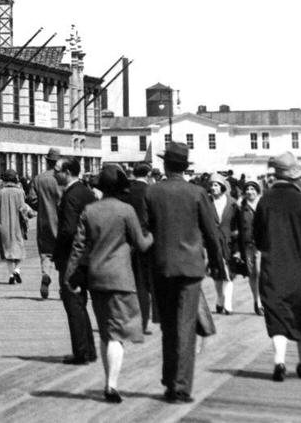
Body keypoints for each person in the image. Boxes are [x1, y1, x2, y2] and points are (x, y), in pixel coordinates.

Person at [145, 138, 224, 405]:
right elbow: (211, 233)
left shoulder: (152, 192)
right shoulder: (197, 193)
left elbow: (145, 232)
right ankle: (180, 387)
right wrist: (217, 264)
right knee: (185, 327)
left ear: (165, 165)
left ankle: (169, 381)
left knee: (168, 327)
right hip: (190, 269)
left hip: (161, 267)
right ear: (184, 167)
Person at [66, 163, 153, 404]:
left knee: (105, 331)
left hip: (96, 277)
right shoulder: (126, 211)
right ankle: (111, 385)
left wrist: (70, 276)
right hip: (121, 277)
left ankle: (108, 380)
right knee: (116, 334)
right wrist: (151, 235)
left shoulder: (90, 211)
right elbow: (142, 243)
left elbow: (78, 247)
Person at [253, 149, 301, 382]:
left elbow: (259, 237)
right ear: (295, 177)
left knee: (277, 316)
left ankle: (279, 362)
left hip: (273, 267)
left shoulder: (264, 201)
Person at [54, 158, 98, 366]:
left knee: (73, 304)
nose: (55, 174)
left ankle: (81, 351)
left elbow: (69, 230)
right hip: (88, 256)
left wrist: (58, 250)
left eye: (57, 171)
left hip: (71, 258)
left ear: (68, 172)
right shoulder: (87, 192)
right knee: (81, 303)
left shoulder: (71, 196)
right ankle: (89, 348)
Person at [121, 164, 156, 333]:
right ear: (148, 174)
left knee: (128, 282)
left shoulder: (126, 191)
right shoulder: (150, 191)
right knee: (143, 284)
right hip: (145, 241)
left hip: (126, 241)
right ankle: (144, 321)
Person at [30, 147, 62, 300]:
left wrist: (42, 206)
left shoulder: (38, 179)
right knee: (64, 254)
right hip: (62, 222)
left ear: (47, 161)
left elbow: (32, 200)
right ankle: (63, 287)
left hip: (44, 221)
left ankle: (46, 275)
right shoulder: (62, 179)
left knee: (46, 254)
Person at [208, 174, 239, 315]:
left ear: (222, 186)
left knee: (229, 273)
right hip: (212, 242)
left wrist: (237, 243)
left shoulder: (232, 203)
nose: (213, 188)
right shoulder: (207, 202)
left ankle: (228, 304)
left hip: (228, 242)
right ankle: (220, 298)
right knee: (216, 273)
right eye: (212, 185)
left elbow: (237, 223)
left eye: (216, 185)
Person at [0, 168, 29, 285]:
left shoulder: (1, 192)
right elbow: (23, 210)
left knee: (7, 252)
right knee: (20, 251)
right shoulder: (20, 192)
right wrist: (26, 222)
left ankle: (11, 273)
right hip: (17, 225)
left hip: (4, 225)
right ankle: (17, 270)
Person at [237, 181, 262, 315]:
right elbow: (237, 228)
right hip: (247, 244)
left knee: (260, 272)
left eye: (252, 189)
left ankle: (262, 300)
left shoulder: (263, 205)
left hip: (262, 245)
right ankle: (256, 300)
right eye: (247, 189)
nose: (250, 191)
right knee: (252, 273)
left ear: (257, 191)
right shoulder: (241, 207)